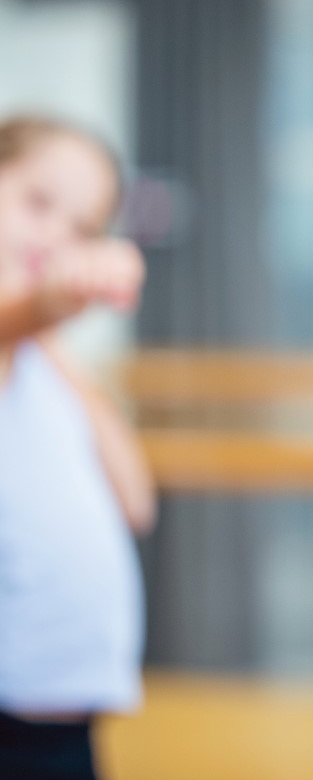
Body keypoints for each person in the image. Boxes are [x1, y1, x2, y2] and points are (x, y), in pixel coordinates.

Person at [0, 116, 152, 780]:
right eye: (37, 202)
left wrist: (50, 335)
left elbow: (135, 500)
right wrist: (48, 303)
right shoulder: (22, 329)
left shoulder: (42, 359)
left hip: (68, 725)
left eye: (84, 227)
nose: (55, 235)